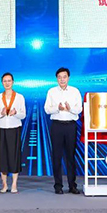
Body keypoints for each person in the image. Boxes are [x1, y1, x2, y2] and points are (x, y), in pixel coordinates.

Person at [44, 67, 83, 195]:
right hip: (57, 126)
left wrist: (70, 108)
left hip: (71, 126)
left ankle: (72, 185)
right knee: (56, 156)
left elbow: (79, 109)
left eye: (64, 77)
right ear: (57, 79)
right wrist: (57, 108)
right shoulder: (51, 92)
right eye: (59, 77)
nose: (62, 79)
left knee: (70, 156)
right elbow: (47, 109)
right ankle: (58, 185)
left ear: (68, 78)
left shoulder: (75, 91)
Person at [0, 72, 26, 194]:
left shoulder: (19, 97)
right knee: (2, 156)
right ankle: (4, 184)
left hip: (14, 128)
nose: (7, 83)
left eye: (9, 81)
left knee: (14, 155)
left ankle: (14, 183)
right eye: (5, 81)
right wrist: (0, 114)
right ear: (2, 83)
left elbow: (23, 115)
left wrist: (15, 113)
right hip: (1, 128)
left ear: (13, 82)